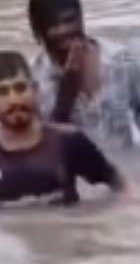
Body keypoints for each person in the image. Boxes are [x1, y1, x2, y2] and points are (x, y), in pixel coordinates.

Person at [27, 0, 140, 148]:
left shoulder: (120, 61)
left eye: (69, 20)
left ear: (81, 18)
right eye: (53, 26)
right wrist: (65, 96)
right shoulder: (32, 78)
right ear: (37, 32)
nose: (64, 30)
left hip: (128, 170)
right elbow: (38, 149)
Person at [0, 50, 125, 207]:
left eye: (20, 88)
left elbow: (122, 187)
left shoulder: (68, 141)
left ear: (35, 89)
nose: (14, 99)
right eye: (2, 92)